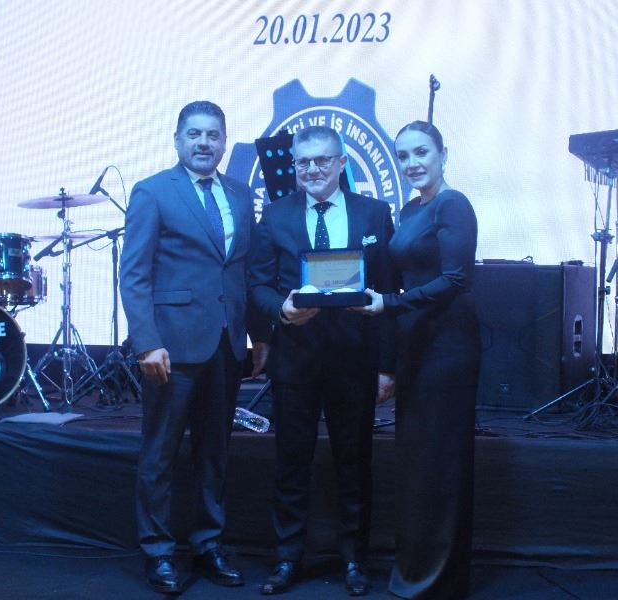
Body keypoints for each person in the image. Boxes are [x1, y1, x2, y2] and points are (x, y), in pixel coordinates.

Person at [119, 100, 268, 595]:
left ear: (224, 142)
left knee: (214, 453)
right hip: (171, 348)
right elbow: (134, 275)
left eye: (213, 135)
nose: (204, 143)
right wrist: (147, 343)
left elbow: (244, 271)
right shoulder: (153, 191)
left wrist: (258, 335)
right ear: (178, 139)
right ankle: (159, 553)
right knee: (160, 455)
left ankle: (208, 545)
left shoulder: (240, 194)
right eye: (195, 134)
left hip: (227, 344)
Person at [248, 125, 396, 596]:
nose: (312, 169)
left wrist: (388, 365)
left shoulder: (374, 213)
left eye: (322, 160)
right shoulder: (275, 215)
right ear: (295, 165)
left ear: (341, 163)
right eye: (303, 162)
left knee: (354, 463)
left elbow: (391, 289)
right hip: (296, 360)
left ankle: (354, 560)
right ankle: (287, 558)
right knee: (291, 464)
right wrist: (281, 309)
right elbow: (257, 284)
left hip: (355, 360)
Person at [357, 120, 480, 599]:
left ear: (443, 155)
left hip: (448, 348)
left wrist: (390, 303)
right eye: (403, 155)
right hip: (416, 343)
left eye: (421, 152)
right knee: (418, 463)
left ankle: (440, 581)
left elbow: (456, 280)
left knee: (440, 463)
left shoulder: (453, 204)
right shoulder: (410, 209)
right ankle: (415, 569)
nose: (412, 163)